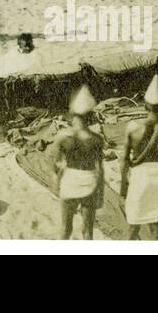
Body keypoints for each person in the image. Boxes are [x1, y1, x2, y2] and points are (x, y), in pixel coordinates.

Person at [119, 75, 158, 240]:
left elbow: (124, 162)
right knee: (156, 228)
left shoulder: (133, 129)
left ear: (145, 105)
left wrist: (123, 190)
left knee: (133, 227)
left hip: (140, 179)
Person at [54, 85, 104, 240]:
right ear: (90, 115)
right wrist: (100, 194)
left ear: (72, 113)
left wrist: (57, 185)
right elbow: (100, 170)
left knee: (65, 229)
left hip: (70, 182)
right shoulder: (97, 139)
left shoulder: (63, 136)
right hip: (89, 182)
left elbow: (56, 166)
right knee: (88, 231)